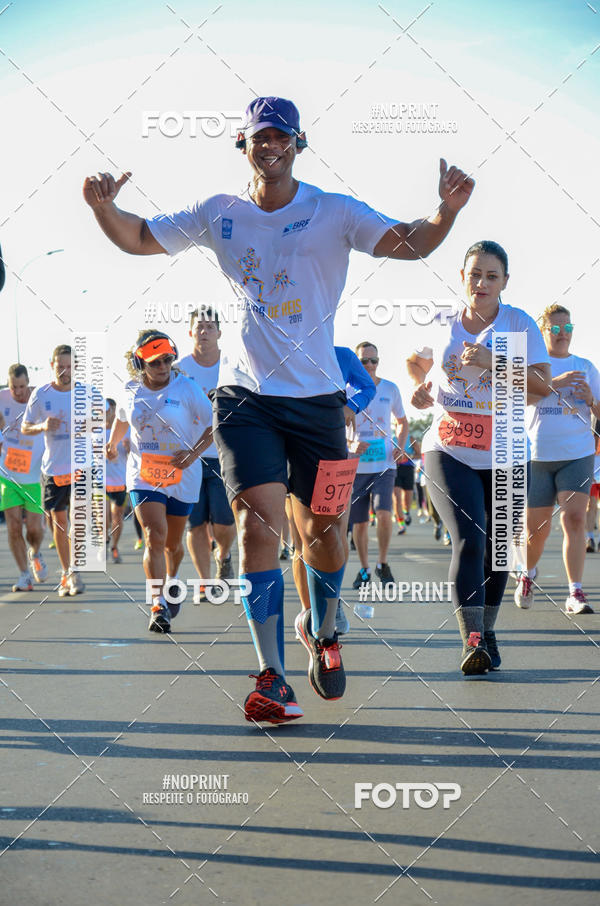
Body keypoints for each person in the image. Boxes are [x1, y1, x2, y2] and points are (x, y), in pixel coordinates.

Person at [83, 94, 474, 723]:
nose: (270, 145)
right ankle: (271, 677)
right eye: (258, 136)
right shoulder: (220, 211)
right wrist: (105, 208)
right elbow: (136, 238)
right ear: (243, 144)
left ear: (297, 144)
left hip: (319, 402)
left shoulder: (333, 210)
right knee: (257, 528)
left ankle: (323, 627)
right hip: (245, 400)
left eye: (280, 136)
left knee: (325, 537)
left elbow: (410, 242)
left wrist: (445, 211)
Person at [407, 240, 551, 674]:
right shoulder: (443, 319)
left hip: (505, 448)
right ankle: (471, 640)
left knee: (498, 550)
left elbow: (542, 387)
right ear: (462, 277)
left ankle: (487, 631)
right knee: (470, 538)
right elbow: (417, 361)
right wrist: (420, 387)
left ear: (505, 281)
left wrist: (494, 361)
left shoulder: (518, 324)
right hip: (449, 447)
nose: (481, 283)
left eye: (491, 276)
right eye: (474, 274)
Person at [107, 330, 213, 633]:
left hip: (182, 474)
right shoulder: (131, 390)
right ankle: (157, 603)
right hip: (143, 472)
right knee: (154, 534)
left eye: (167, 359)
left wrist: (192, 455)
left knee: (172, 544)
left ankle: (172, 579)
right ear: (141, 363)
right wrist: (113, 443)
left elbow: (212, 425)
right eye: (155, 362)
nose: (163, 366)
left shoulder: (188, 388)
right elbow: (123, 420)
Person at [515, 305, 600, 614]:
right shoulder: (533, 366)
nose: (562, 333)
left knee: (575, 519)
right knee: (535, 531)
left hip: (577, 454)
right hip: (536, 456)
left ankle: (575, 593)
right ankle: (528, 572)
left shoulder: (587, 366)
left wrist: (591, 399)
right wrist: (554, 383)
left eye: (567, 327)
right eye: (555, 328)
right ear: (543, 332)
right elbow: (514, 401)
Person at [289, 346, 376, 636]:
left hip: (332, 451)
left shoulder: (342, 356)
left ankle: (331, 600)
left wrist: (351, 407)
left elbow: (367, 386)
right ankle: (310, 613)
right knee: (301, 541)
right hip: (291, 452)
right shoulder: (283, 352)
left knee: (335, 532)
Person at [178, 307, 236, 603]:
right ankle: (203, 583)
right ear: (190, 332)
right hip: (189, 459)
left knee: (225, 523)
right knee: (195, 523)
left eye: (209, 326)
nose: (204, 331)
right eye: (198, 327)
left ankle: (223, 555)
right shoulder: (179, 369)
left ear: (219, 332)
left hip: (225, 455)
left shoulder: (232, 365)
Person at [22, 345, 85, 597]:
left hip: (81, 466)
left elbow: (103, 418)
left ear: (76, 368)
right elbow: (26, 427)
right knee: (59, 523)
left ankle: (75, 571)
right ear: (52, 365)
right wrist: (43, 426)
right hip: (53, 468)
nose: (65, 371)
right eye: (60, 366)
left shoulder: (85, 393)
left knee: (78, 522)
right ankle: (67, 571)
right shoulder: (41, 393)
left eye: (69, 367)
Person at [350, 341, 409, 589]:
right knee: (360, 522)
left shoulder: (390, 388)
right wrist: (350, 444)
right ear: (356, 362)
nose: (370, 365)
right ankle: (364, 568)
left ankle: (382, 563)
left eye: (374, 360)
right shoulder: (346, 391)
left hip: (384, 465)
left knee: (385, 515)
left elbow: (403, 422)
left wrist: (400, 446)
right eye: (364, 361)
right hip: (356, 467)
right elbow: (335, 426)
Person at [0, 363, 46, 591]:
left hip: (35, 477)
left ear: (28, 382)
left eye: (21, 386)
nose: (18, 392)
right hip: (7, 475)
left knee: (34, 530)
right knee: (14, 527)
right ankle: (24, 575)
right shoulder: (2, 398)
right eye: (13, 387)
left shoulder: (40, 398)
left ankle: (35, 553)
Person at [105, 398, 129, 564]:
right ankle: (104, 541)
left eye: (109, 410)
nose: (106, 414)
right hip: (101, 480)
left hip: (120, 479)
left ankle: (114, 546)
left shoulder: (124, 430)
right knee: (102, 517)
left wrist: (128, 447)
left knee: (117, 515)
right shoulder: (94, 430)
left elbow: (133, 453)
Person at [393, 434, 419, 533]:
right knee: (396, 497)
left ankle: (406, 512)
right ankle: (401, 525)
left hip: (408, 469)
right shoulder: (389, 437)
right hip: (395, 469)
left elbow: (419, 454)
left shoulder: (410, 438)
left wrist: (408, 456)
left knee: (407, 498)